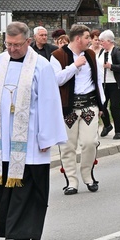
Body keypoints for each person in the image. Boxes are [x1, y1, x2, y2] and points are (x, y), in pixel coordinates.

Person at [0, 22, 67, 240]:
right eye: (8, 44)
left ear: (28, 42)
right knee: (0, 185)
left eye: (17, 45)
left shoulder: (41, 65)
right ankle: (8, 226)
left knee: (25, 186)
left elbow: (50, 101)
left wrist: (47, 137)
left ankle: (22, 233)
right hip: (0, 138)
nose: (12, 49)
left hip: (29, 139)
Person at [50, 24, 105, 196]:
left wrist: (102, 104)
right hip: (69, 107)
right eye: (88, 37)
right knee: (68, 146)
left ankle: (87, 175)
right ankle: (72, 181)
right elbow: (55, 80)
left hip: (89, 104)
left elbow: (98, 80)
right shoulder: (57, 56)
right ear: (78, 38)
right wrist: (74, 66)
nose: (91, 41)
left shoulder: (90, 55)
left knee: (90, 142)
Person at [98, 30, 120, 140]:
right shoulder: (102, 52)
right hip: (102, 83)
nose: (100, 43)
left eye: (102, 41)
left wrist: (111, 66)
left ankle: (118, 131)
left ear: (109, 41)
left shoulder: (117, 52)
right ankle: (107, 125)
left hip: (115, 84)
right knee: (101, 106)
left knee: (114, 107)